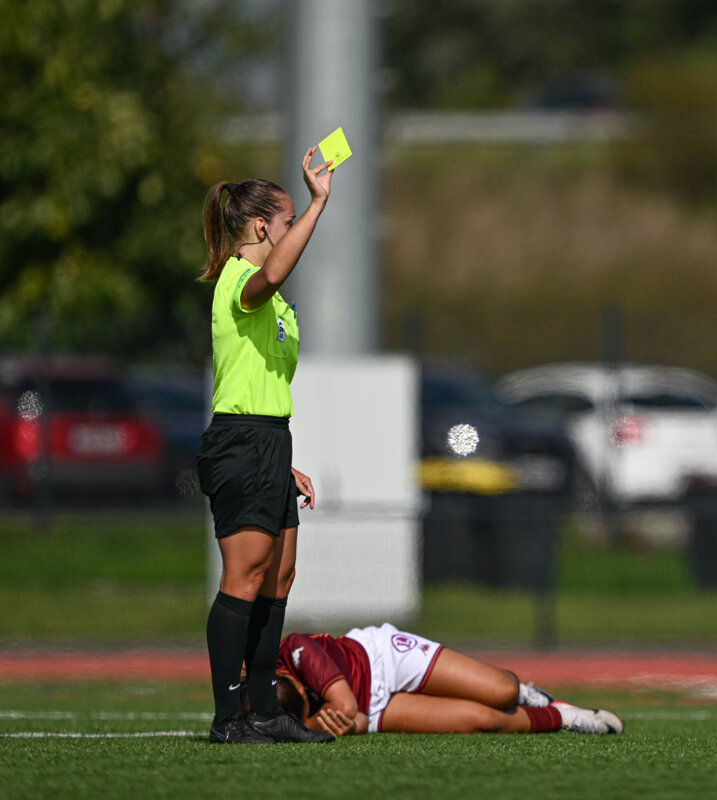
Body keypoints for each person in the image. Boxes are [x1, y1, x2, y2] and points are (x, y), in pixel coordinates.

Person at [195, 147, 336, 745]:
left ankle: (264, 710)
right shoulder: (240, 280)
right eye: (285, 223)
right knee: (245, 577)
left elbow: (261, 382)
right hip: (241, 441)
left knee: (279, 577)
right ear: (260, 227)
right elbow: (271, 274)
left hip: (269, 440)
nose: (291, 231)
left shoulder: (273, 302)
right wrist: (318, 203)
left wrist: (284, 460)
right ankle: (228, 720)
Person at [270, 623, 624, 737]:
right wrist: (342, 725)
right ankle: (563, 716)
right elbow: (358, 718)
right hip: (374, 708)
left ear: (298, 684)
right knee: (482, 720)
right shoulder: (284, 715)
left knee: (500, 691)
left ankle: (525, 693)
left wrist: (318, 724)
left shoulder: (296, 649)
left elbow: (345, 706)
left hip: (381, 657)